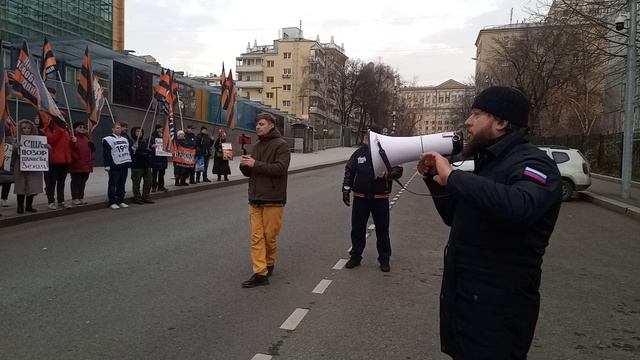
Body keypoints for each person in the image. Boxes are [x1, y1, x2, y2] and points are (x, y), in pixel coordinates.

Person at [418, 86, 562, 360]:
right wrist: (434, 180)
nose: (468, 122)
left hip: (499, 312)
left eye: (476, 114)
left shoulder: (534, 163)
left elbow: (521, 207)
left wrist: (455, 178)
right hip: (467, 305)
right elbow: (455, 216)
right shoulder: (487, 162)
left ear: (501, 122)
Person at [342, 125, 403, 272]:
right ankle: (355, 256)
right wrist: (345, 189)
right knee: (357, 229)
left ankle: (384, 258)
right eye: (364, 134)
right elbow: (349, 171)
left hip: (380, 198)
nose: (364, 137)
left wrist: (387, 174)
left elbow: (398, 170)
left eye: (368, 135)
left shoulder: (387, 153)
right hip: (360, 198)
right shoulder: (358, 154)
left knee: (382, 230)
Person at [239, 112, 290, 288]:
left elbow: (280, 169)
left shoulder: (281, 145)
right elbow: (253, 171)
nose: (258, 127)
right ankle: (260, 273)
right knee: (256, 237)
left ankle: (269, 262)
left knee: (269, 237)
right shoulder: (258, 146)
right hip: (255, 198)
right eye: (257, 124)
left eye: (261, 124)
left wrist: (255, 164)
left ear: (271, 125)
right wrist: (245, 165)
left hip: (273, 199)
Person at [11, 120, 44, 214]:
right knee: (20, 187)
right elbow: (11, 156)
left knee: (32, 186)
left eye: (29, 128)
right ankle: (20, 206)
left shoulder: (37, 140)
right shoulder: (16, 139)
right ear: (20, 129)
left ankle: (29, 206)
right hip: (21, 166)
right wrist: (15, 148)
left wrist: (47, 147)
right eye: (24, 128)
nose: (27, 130)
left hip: (33, 167)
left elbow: (43, 154)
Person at [103, 122, 132, 210]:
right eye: (117, 128)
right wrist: (107, 165)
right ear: (113, 129)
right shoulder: (107, 139)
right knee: (113, 183)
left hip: (124, 164)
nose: (119, 129)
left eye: (120, 128)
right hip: (114, 165)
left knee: (121, 184)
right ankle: (112, 202)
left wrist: (133, 148)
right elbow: (106, 153)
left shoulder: (125, 139)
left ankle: (121, 200)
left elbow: (128, 150)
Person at [44, 120, 72, 209]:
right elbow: (50, 140)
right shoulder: (50, 128)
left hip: (65, 159)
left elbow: (68, 144)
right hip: (54, 159)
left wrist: (73, 140)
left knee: (61, 182)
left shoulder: (67, 130)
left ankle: (61, 201)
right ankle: (51, 201)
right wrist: (60, 130)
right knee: (51, 182)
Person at [69, 122, 95, 205]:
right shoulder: (73, 137)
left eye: (83, 127)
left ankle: (81, 197)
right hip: (77, 164)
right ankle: (75, 198)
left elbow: (91, 150)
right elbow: (70, 149)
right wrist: (76, 157)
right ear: (75, 128)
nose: (82, 128)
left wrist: (92, 147)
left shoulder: (86, 137)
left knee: (83, 182)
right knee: (76, 182)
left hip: (86, 163)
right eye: (80, 127)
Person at [130, 127, 154, 204]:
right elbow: (132, 154)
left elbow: (149, 151)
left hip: (146, 165)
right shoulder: (132, 141)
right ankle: (137, 197)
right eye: (137, 131)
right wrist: (139, 151)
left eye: (141, 131)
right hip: (137, 165)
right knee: (136, 183)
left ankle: (146, 196)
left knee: (149, 181)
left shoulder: (144, 141)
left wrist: (151, 149)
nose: (139, 133)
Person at [149, 124, 168, 192]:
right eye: (160, 129)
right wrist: (152, 146)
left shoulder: (164, 137)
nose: (161, 130)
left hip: (163, 158)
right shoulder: (152, 137)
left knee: (162, 174)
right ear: (157, 129)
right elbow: (149, 146)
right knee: (154, 174)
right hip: (155, 158)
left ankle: (161, 186)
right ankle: (154, 186)